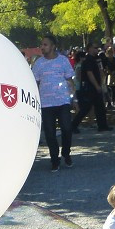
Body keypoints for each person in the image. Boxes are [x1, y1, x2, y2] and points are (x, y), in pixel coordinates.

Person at [31, 32, 76, 172]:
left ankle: (66, 153)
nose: (42, 47)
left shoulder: (63, 60)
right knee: (50, 133)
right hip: (46, 104)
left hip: (63, 101)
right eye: (41, 45)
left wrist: (75, 98)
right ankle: (54, 159)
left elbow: (70, 80)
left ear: (53, 46)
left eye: (45, 44)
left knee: (67, 129)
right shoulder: (38, 64)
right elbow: (34, 83)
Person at [71, 42, 112, 133]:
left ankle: (102, 125)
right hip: (89, 88)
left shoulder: (96, 59)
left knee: (100, 107)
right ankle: (73, 125)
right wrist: (97, 86)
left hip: (95, 87)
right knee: (85, 108)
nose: (96, 50)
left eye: (97, 48)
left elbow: (100, 71)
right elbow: (90, 74)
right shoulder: (88, 60)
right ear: (89, 49)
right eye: (94, 48)